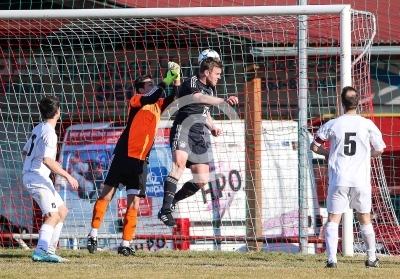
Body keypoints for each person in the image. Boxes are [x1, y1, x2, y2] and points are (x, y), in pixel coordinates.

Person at [86, 62, 181, 256]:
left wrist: (176, 77)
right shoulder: (137, 100)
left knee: (134, 203)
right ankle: (93, 234)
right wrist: (165, 81)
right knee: (106, 194)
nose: (153, 86)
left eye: (153, 83)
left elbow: (176, 97)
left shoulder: (158, 104)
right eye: (149, 84)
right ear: (140, 89)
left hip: (141, 160)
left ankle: (126, 244)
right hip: (124, 154)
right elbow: (154, 94)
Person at [310, 86, 386, 268]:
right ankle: (371, 258)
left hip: (339, 179)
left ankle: (332, 260)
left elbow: (314, 145)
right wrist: (367, 154)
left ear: (342, 103)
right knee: (365, 219)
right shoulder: (367, 124)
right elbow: (380, 149)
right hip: (360, 180)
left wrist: (328, 154)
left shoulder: (334, 124)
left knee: (333, 219)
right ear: (358, 103)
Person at [158, 57, 239, 227]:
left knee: (201, 179)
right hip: (183, 129)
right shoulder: (191, 82)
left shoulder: (211, 89)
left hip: (198, 136)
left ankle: (174, 201)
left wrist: (211, 127)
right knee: (178, 166)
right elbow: (198, 98)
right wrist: (222, 101)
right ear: (207, 72)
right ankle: (165, 210)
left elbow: (205, 109)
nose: (219, 77)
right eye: (217, 74)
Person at [22, 95, 79, 262]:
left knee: (62, 211)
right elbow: (47, 161)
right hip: (36, 177)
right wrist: (68, 176)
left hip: (37, 176)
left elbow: (25, 151)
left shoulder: (38, 128)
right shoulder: (50, 133)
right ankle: (41, 251)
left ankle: (50, 250)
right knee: (52, 215)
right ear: (58, 112)